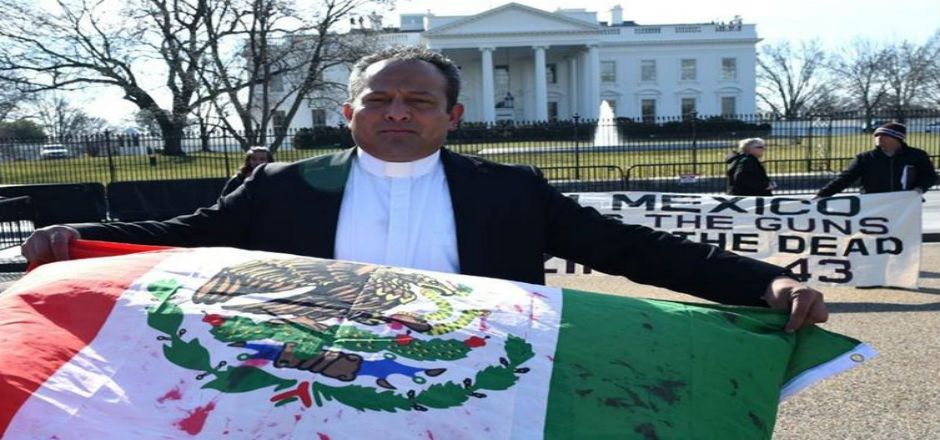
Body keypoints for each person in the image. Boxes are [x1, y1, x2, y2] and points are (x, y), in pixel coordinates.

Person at [21, 46, 826, 332]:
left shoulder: (509, 191)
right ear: (349, 112)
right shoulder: (286, 187)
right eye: (379, 98)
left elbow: (630, 248)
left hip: (477, 381)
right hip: (320, 378)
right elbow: (183, 238)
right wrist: (73, 247)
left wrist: (766, 280)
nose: (396, 112)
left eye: (417, 101)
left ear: (453, 115)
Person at [816, 122, 937, 198]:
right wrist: (822, 195)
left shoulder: (917, 155)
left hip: (905, 204)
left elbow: (930, 176)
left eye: (884, 135)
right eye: (876, 136)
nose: (878, 138)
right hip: (873, 205)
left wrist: (919, 188)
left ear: (897, 138)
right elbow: (845, 179)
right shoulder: (865, 158)